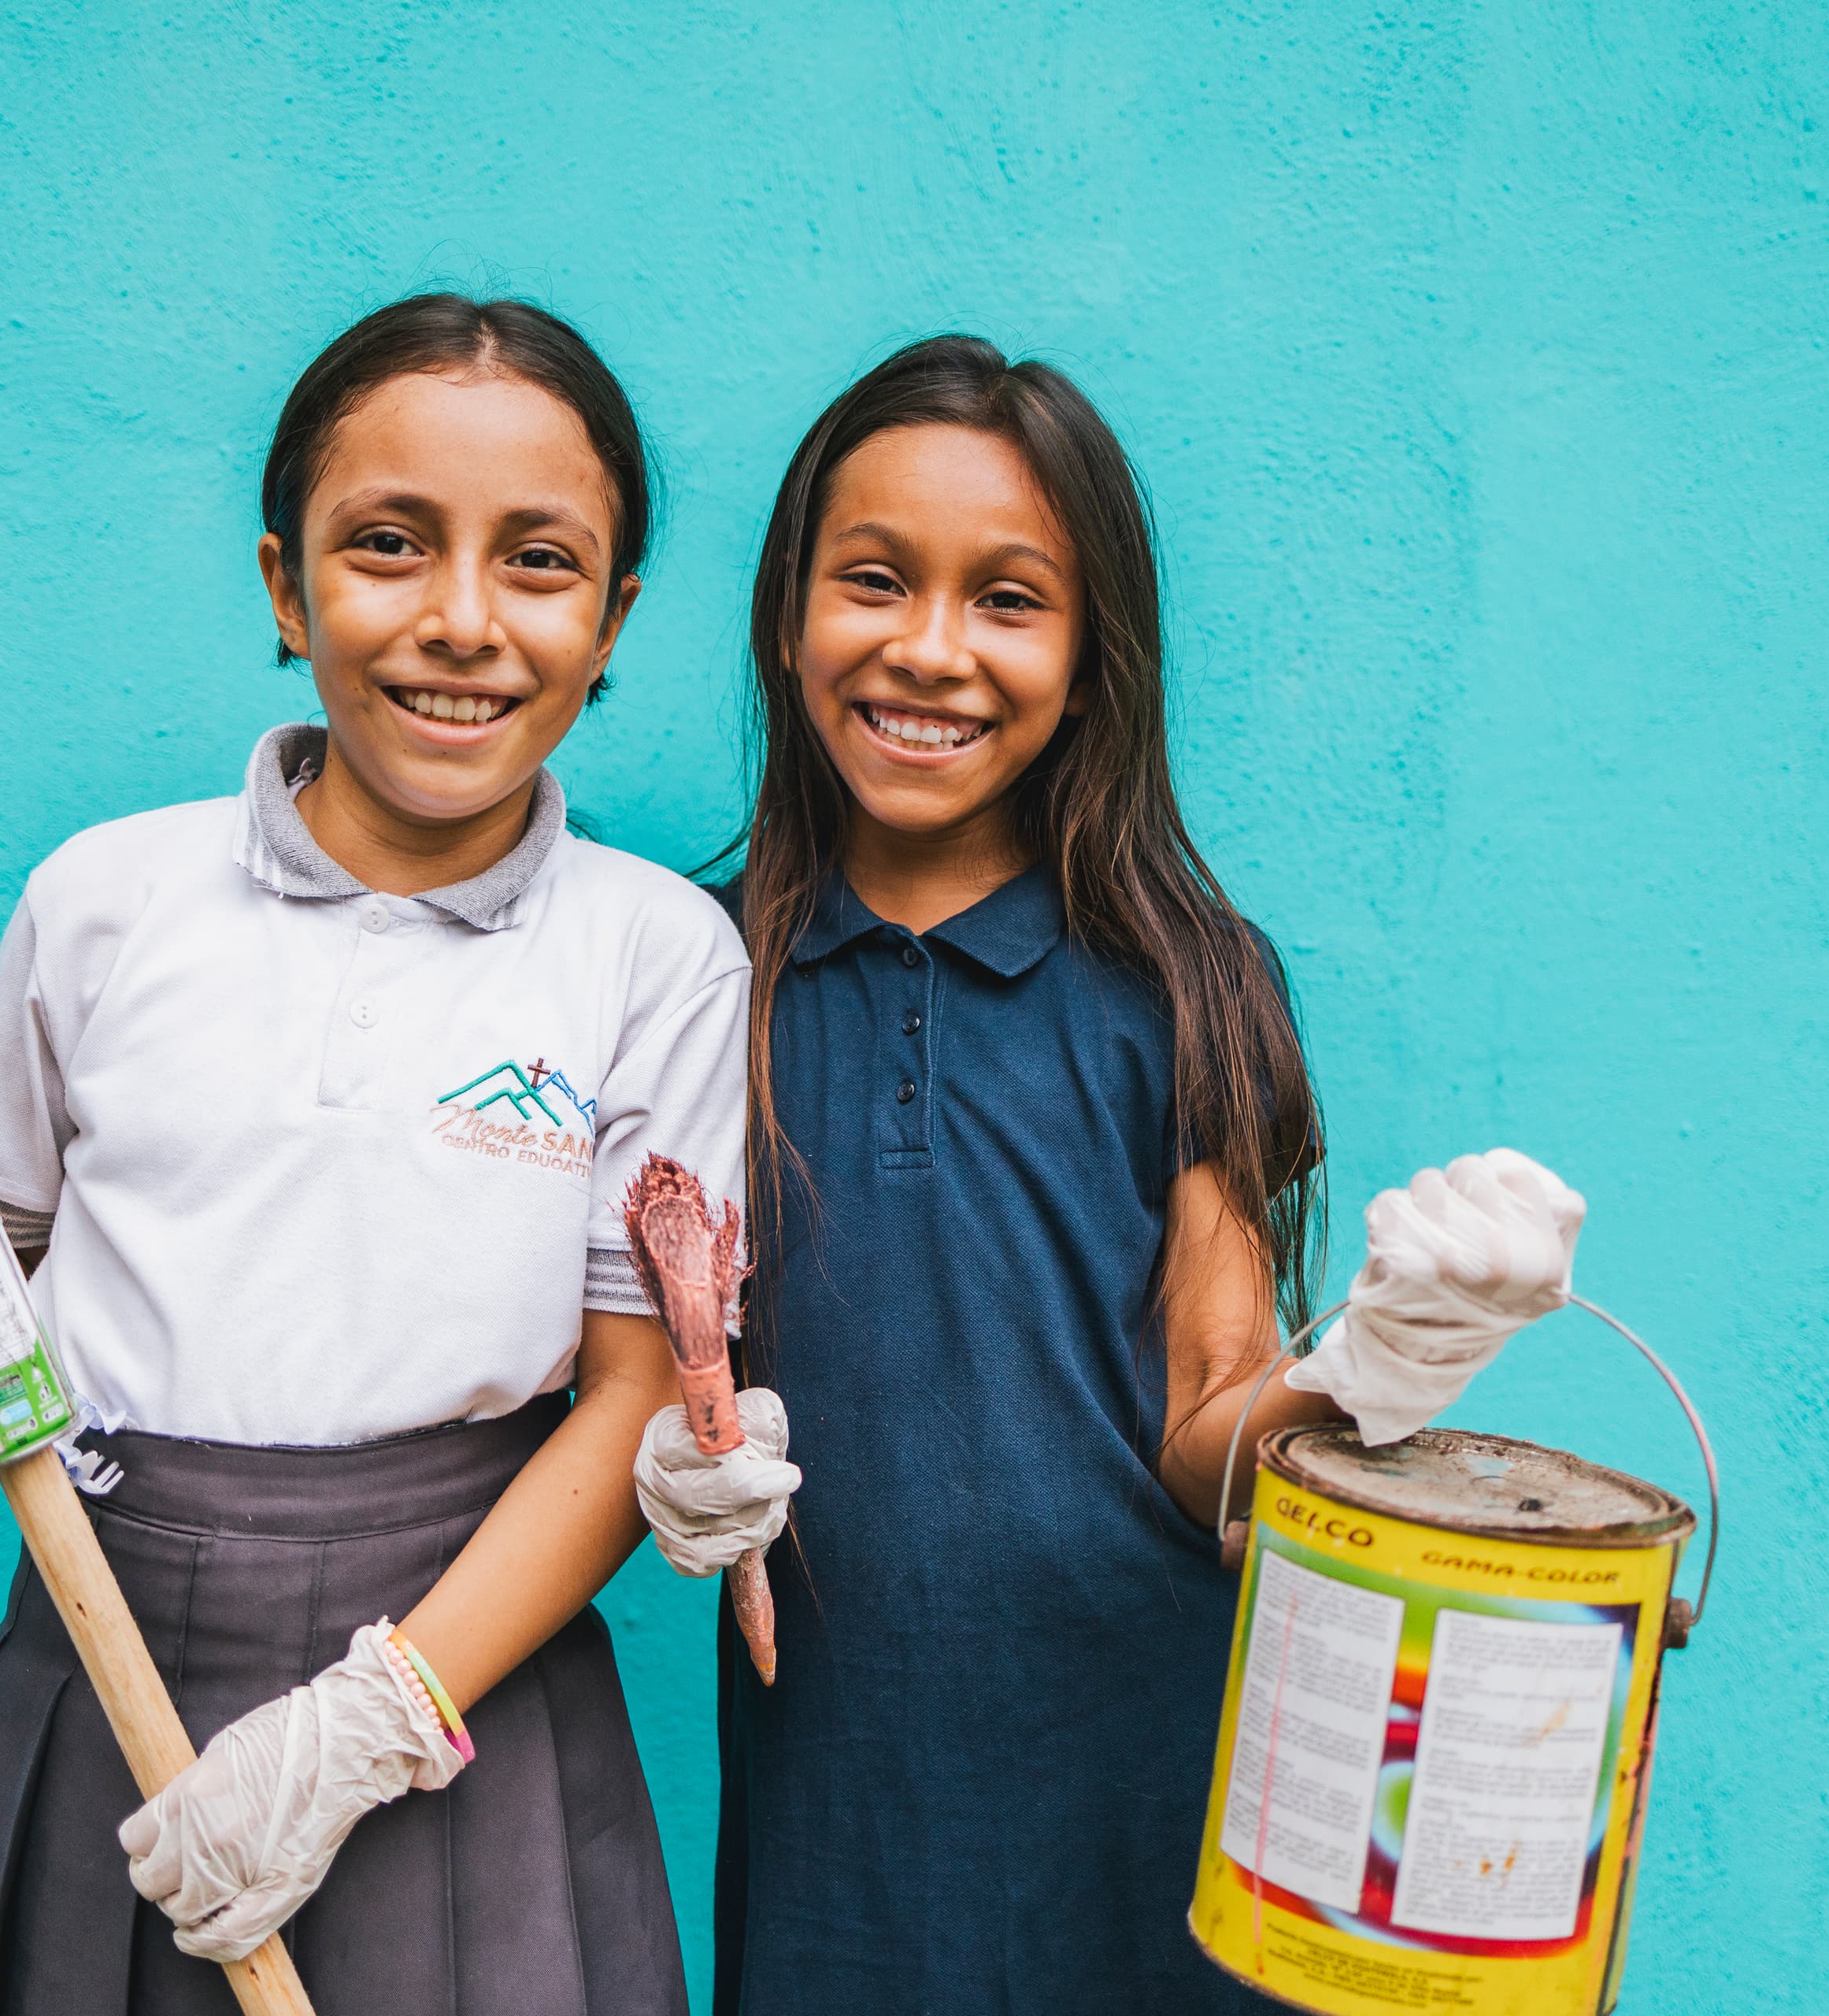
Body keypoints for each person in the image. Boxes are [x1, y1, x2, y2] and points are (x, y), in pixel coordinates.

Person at [0, 294, 782, 2015]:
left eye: (539, 563)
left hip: (464, 1671)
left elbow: (629, 1398)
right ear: (283, 582)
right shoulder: (102, 902)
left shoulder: (656, 951)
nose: (461, 620)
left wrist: (366, 1727)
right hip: (101, 1639)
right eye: (388, 544)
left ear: (611, 619)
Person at [638, 335, 1586, 2011]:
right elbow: (613, 1353)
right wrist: (664, 1448)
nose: (931, 649)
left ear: (1091, 661)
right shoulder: (691, 973)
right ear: (791, 616)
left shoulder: (1191, 982)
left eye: (1010, 599)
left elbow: (1209, 1438)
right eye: (874, 580)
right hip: (841, 1821)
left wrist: (1373, 1361)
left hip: (1165, 1798)